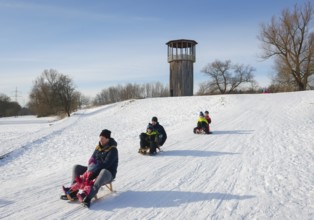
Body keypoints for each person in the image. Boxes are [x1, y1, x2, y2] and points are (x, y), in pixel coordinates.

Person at [61, 129, 118, 208]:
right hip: (94, 169)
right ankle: (73, 192)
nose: (101, 140)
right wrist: (90, 167)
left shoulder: (113, 150)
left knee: (103, 171)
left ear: (108, 139)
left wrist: (94, 173)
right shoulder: (98, 147)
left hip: (108, 173)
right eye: (100, 138)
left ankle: (87, 197)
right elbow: (92, 158)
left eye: (103, 138)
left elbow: (106, 164)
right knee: (76, 167)